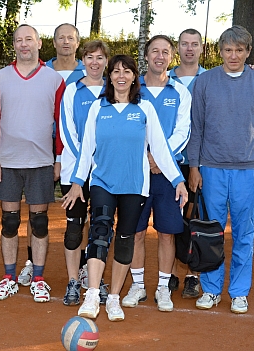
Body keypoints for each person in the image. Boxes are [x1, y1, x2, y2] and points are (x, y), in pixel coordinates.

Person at [62, 54, 188, 321]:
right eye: (116, 71)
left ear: (134, 77)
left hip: (134, 185)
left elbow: (161, 149)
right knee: (99, 233)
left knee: (124, 239)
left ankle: (115, 298)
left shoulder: (144, 109)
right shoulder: (99, 107)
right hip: (102, 182)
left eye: (127, 72)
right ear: (110, 77)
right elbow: (86, 149)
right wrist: (76, 182)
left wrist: (178, 180)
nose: (121, 76)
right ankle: (93, 294)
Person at [187, 25, 254, 314]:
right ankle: (211, 289)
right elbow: (196, 126)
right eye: (228, 50)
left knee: (244, 233)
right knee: (211, 233)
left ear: (249, 51)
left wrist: (252, 148)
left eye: (240, 50)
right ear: (220, 51)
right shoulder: (204, 82)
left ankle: (239, 292)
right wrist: (194, 166)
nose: (234, 55)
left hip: (247, 170)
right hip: (211, 168)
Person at [0, 24, 65, 303]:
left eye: (28, 39)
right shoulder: (0, 77)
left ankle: (39, 278)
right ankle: (8, 277)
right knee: (9, 221)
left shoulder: (54, 79)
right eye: (18, 40)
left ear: (39, 43)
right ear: (15, 45)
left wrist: (58, 159)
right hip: (7, 162)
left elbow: (61, 124)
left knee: (39, 222)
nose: (23, 45)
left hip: (42, 161)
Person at [122, 35, 191, 312]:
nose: (159, 57)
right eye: (154, 51)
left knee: (166, 233)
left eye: (165, 52)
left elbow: (183, 131)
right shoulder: (132, 91)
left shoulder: (180, 92)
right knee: (136, 232)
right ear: (146, 56)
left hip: (167, 173)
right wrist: (145, 158)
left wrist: (159, 159)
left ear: (171, 57)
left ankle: (163, 287)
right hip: (136, 172)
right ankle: (137, 285)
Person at [18, 23, 88, 289]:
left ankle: (82, 265)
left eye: (71, 38)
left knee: (81, 213)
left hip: (76, 153)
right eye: (61, 38)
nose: (66, 42)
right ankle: (30, 264)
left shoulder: (90, 71)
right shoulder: (40, 69)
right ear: (53, 42)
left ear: (77, 42)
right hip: (41, 148)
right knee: (36, 210)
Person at [59, 40, 110, 306]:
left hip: (104, 173)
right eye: (89, 57)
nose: (94, 62)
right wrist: (86, 162)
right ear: (83, 61)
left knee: (99, 228)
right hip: (74, 171)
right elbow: (67, 132)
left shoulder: (113, 91)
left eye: (100, 58)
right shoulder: (71, 91)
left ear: (105, 62)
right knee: (74, 229)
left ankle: (94, 278)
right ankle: (72, 281)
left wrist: (100, 161)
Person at [167, 28, 207, 299]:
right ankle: (168, 273)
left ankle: (193, 275)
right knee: (170, 218)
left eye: (194, 44)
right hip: (169, 160)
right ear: (177, 48)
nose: (189, 49)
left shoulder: (212, 78)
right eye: (184, 44)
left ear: (202, 48)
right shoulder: (164, 79)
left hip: (200, 162)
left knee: (195, 218)